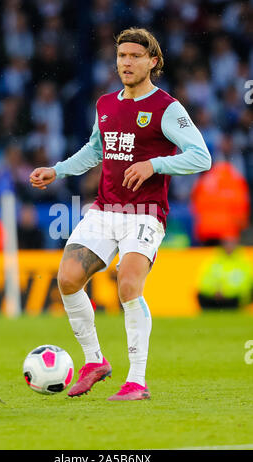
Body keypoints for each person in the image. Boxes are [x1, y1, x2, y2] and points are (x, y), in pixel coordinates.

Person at [30, 27, 211, 401]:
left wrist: (154, 165)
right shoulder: (106, 105)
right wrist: (58, 169)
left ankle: (137, 382)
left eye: (134, 56)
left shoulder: (166, 108)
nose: (126, 63)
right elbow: (96, 150)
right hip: (105, 209)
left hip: (145, 214)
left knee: (127, 284)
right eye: (121, 56)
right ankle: (95, 361)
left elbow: (200, 156)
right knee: (66, 279)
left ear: (152, 61)